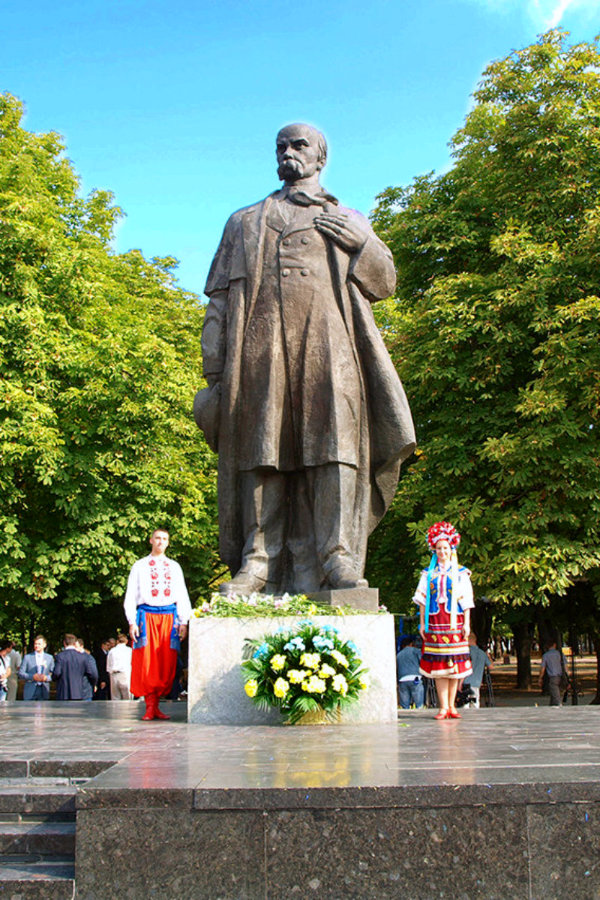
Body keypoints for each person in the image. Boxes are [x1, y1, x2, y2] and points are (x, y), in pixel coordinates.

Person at [196, 123, 415, 595]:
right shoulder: (245, 222)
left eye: (300, 146)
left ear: (321, 158)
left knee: (335, 447)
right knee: (261, 450)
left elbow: (386, 282)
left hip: (330, 347)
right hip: (261, 348)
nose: (288, 153)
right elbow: (217, 301)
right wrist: (214, 368)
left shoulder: (347, 217)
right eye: (281, 146)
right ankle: (257, 560)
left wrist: (364, 243)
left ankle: (337, 555)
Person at [124, 528, 191, 721]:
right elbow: (130, 595)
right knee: (146, 661)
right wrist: (131, 621)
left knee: (166, 661)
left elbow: (182, 595)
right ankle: (149, 705)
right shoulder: (140, 566)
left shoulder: (174, 566)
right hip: (146, 616)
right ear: (151, 540)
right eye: (158, 538)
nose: (161, 542)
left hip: (169, 617)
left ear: (168, 543)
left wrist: (183, 621)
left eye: (165, 539)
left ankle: (157, 704)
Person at [413, 521, 474, 720]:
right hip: (435, 622)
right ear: (434, 550)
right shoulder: (428, 573)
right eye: (438, 548)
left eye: (445, 548)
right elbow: (422, 600)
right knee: (439, 667)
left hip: (454, 622)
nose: (442, 552)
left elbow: (466, 600)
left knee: (455, 666)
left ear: (451, 548)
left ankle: (452, 706)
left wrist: (466, 623)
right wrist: (422, 623)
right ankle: (443, 706)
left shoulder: (460, 572)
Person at [53, 634, 98, 701]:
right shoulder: (84, 657)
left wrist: (53, 678)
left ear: (64, 643)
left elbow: (57, 673)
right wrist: (93, 684)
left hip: (64, 693)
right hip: (81, 692)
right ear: (74, 643)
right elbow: (93, 674)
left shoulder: (60, 656)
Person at [461, 634, 493, 708]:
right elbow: (491, 666)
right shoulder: (482, 653)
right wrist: (488, 656)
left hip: (466, 682)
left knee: (465, 704)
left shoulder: (465, 652)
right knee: (475, 703)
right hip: (477, 682)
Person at [19, 635, 55, 700]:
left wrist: (46, 678)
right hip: (30, 689)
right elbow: (21, 673)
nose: (37, 646)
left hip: (44, 689)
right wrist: (32, 676)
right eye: (35, 644)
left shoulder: (49, 658)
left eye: (39, 644)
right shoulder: (27, 657)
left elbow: (54, 673)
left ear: (44, 645)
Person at [396, 636, 424, 709]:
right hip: (415, 678)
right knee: (419, 703)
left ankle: (406, 716)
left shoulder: (398, 655)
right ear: (411, 644)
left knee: (405, 705)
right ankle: (419, 715)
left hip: (402, 680)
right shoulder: (416, 651)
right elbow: (422, 662)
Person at [538, 639, 565, 707]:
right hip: (561, 675)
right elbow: (565, 665)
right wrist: (567, 675)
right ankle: (552, 705)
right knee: (555, 692)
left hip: (553, 676)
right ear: (554, 645)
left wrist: (540, 678)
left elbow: (543, 668)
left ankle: (559, 704)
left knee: (555, 692)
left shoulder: (546, 655)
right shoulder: (560, 654)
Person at [106, 634, 133, 700]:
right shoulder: (129, 651)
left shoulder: (112, 651)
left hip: (114, 675)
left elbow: (108, 665)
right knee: (127, 698)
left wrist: (110, 672)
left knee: (115, 698)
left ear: (117, 641)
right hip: (125, 674)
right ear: (126, 641)